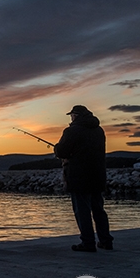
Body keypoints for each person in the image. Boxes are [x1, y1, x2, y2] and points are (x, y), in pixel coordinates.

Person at [54, 105, 113, 252]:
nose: (71, 118)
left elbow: (62, 151)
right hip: (98, 174)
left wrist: (56, 148)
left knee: (82, 211)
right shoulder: (99, 130)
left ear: (76, 115)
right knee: (98, 209)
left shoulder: (71, 131)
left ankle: (88, 243)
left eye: (72, 115)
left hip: (78, 175)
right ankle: (106, 241)